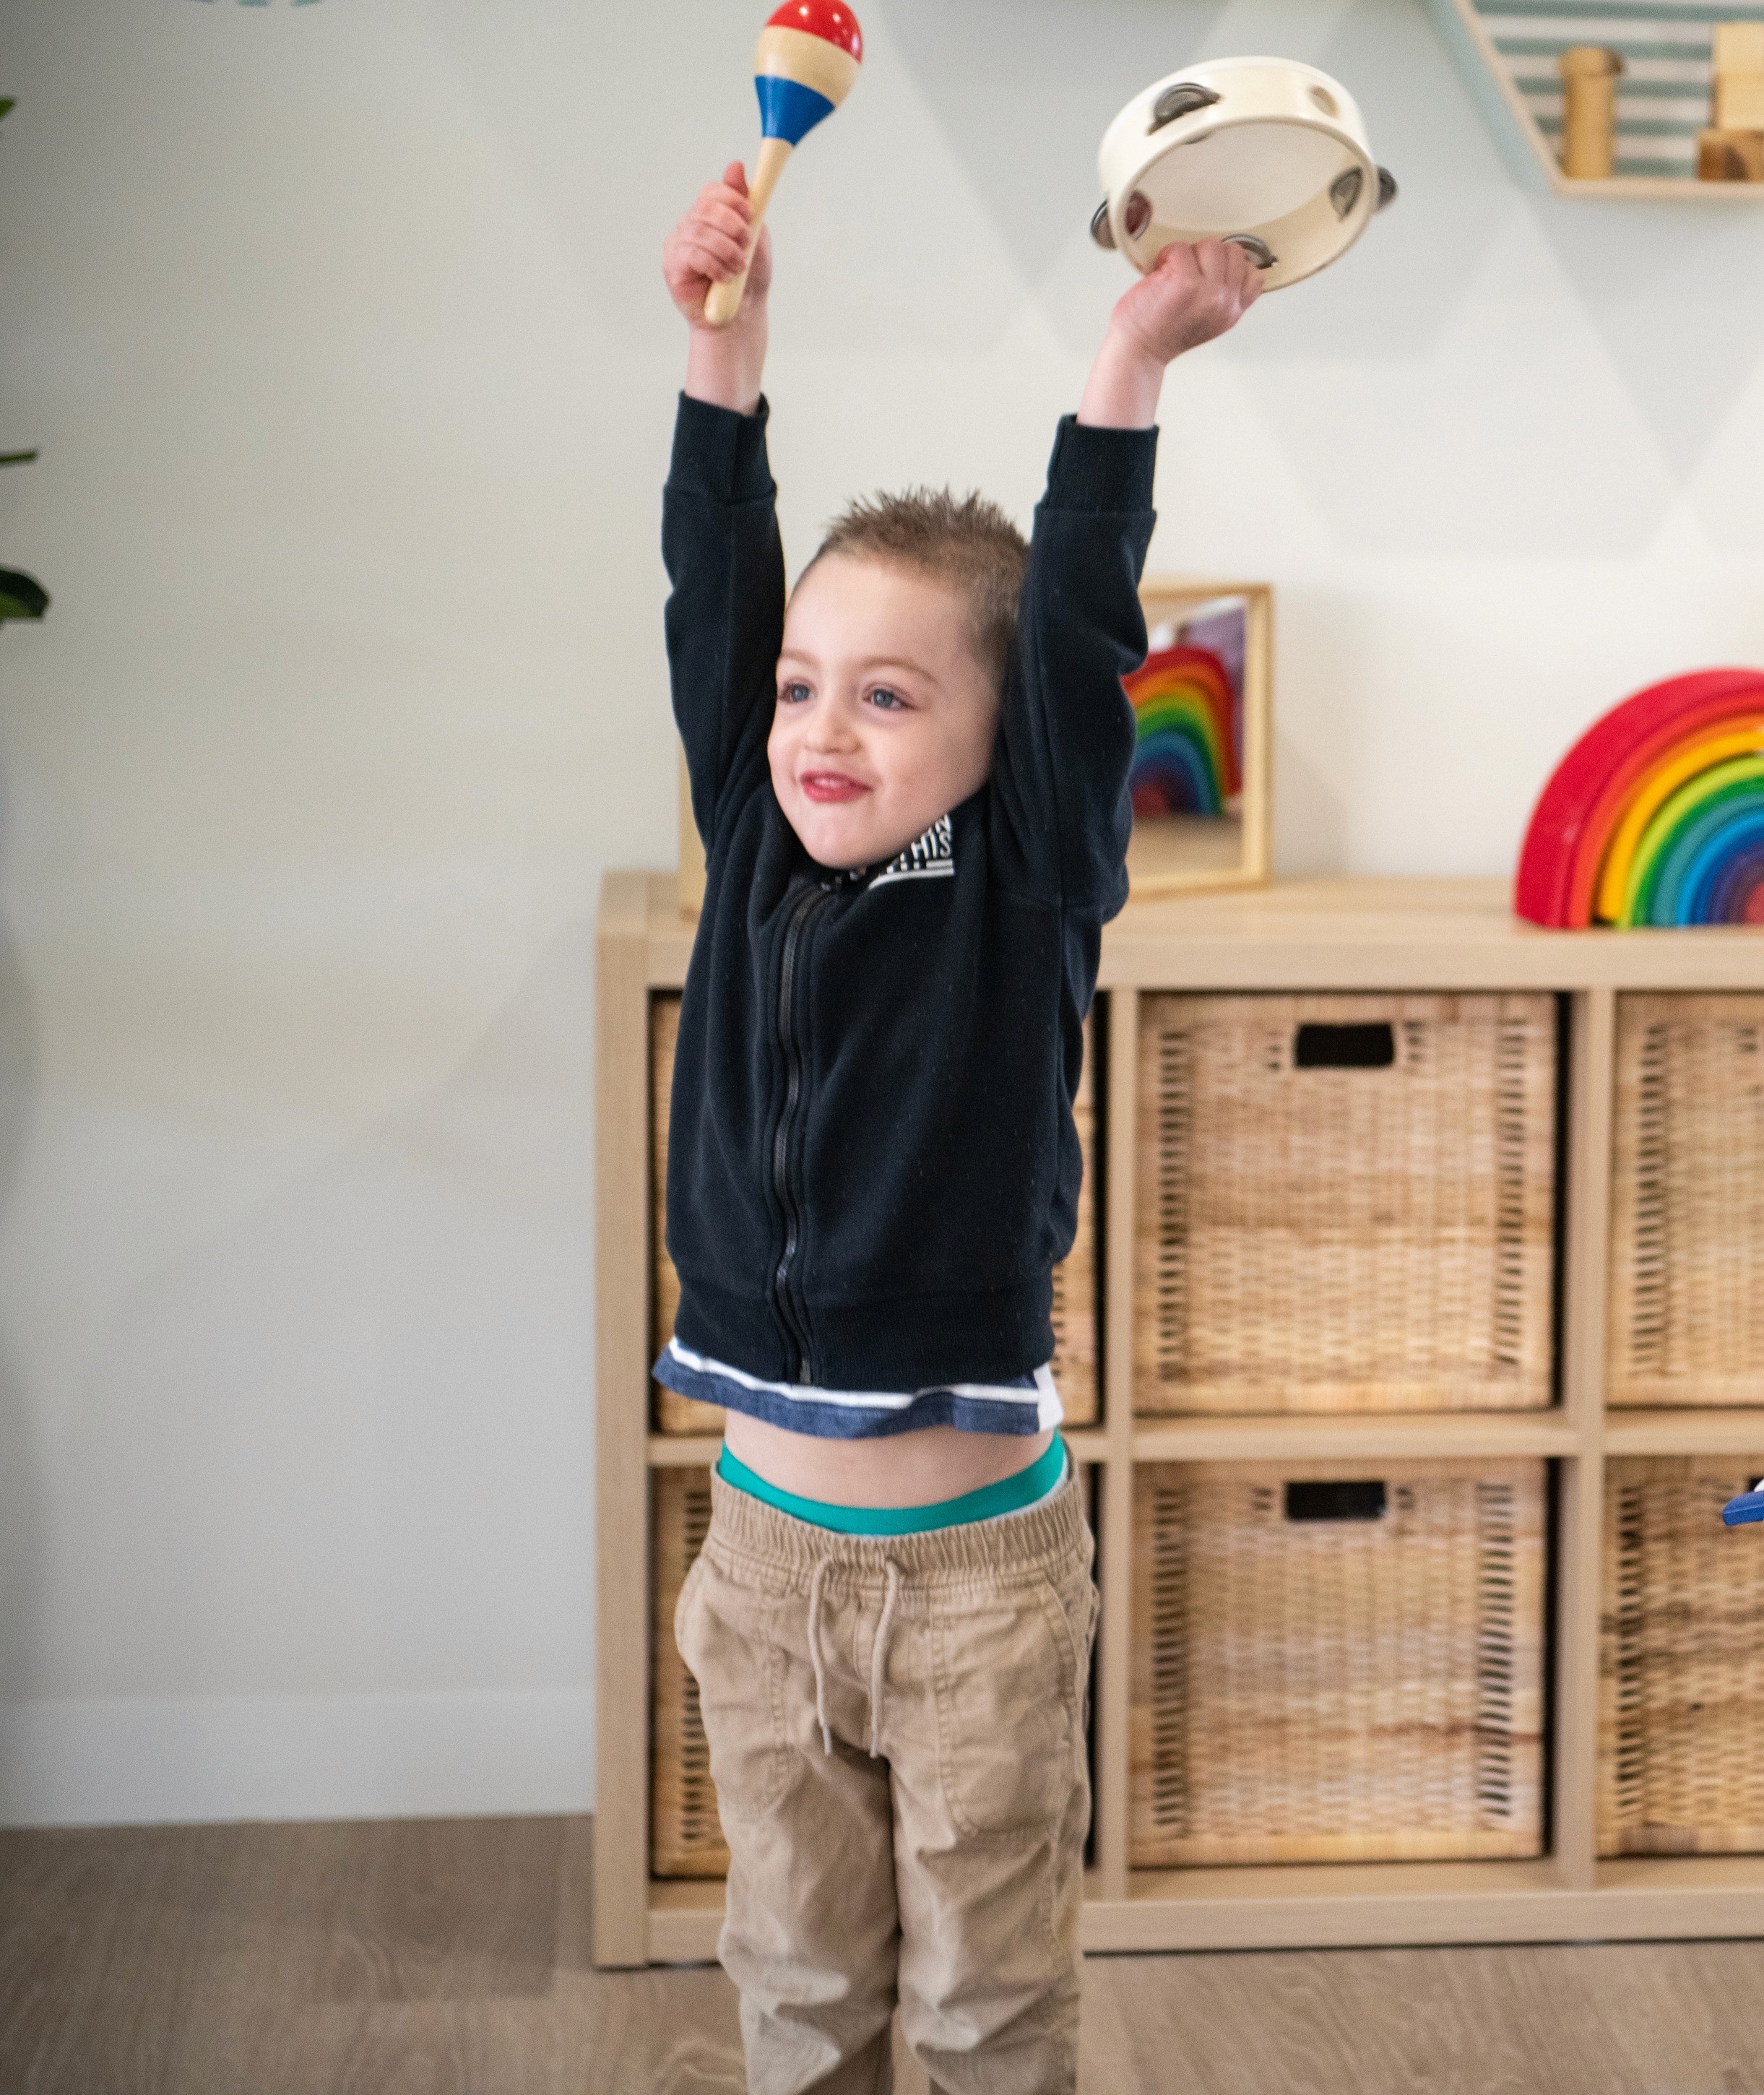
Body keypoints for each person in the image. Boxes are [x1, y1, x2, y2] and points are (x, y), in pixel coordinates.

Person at [652, 163, 1255, 2094]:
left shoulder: (1021, 886)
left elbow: (1077, 622)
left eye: (889, 695)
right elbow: (713, 578)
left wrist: (1126, 366)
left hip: (978, 1593)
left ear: (998, 753)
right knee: (795, 1981)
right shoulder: (752, 840)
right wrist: (721, 352)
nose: (821, 726)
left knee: (986, 2006)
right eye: (803, 687)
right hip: (757, 1562)